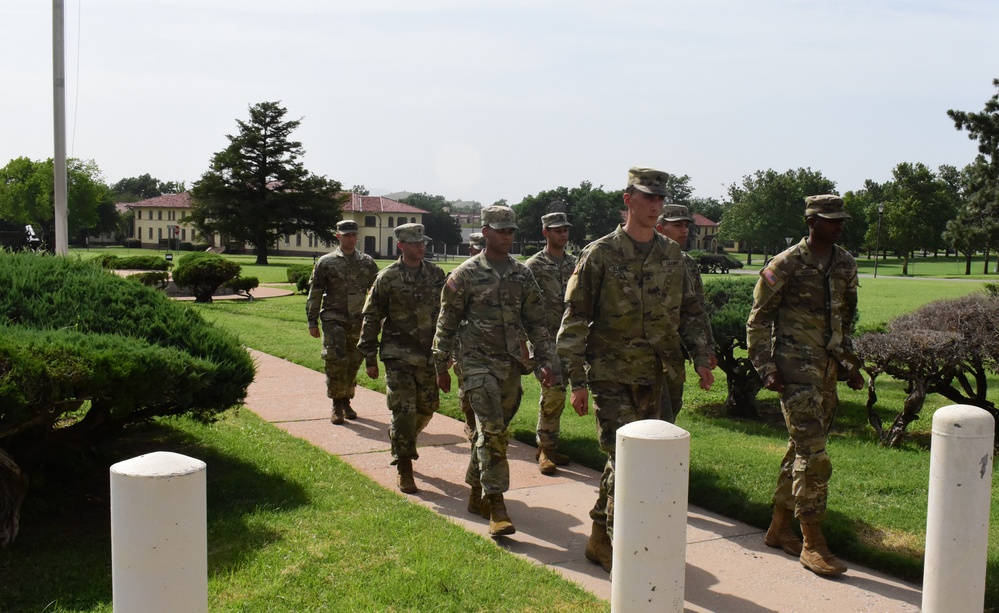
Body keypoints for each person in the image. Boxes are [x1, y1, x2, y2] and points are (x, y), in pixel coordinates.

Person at [558, 167, 714, 572]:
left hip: (660, 375)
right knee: (623, 458)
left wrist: (701, 358)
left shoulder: (674, 255)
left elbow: (693, 312)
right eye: (648, 198)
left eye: (660, 199)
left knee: (644, 463)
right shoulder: (600, 254)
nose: (655, 206)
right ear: (628, 199)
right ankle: (617, 545)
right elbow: (575, 320)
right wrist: (575, 382)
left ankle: (598, 533)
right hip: (611, 375)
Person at [746, 194, 864, 577]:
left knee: (800, 448)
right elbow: (759, 320)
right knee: (814, 456)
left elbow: (844, 318)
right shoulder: (785, 264)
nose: (839, 225)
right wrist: (765, 366)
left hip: (827, 372)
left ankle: (779, 529)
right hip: (793, 371)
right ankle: (813, 543)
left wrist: (849, 364)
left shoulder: (845, 263)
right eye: (831, 219)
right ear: (812, 222)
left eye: (841, 219)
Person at [433, 205, 556, 536]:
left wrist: (545, 360)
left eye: (511, 230)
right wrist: (441, 365)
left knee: (493, 433)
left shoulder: (522, 274)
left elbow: (536, 321)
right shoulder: (465, 275)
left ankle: (475, 491)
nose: (507, 235)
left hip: (510, 367)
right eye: (501, 230)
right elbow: (446, 323)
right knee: (492, 430)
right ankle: (497, 505)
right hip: (475, 365)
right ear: (484, 231)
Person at [358, 223, 446, 494]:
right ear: (401, 246)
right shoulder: (387, 277)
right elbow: (372, 316)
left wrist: (446, 352)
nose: (421, 247)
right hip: (398, 354)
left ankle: (400, 438)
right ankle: (404, 466)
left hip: (428, 355)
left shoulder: (436, 274)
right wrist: (369, 356)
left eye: (423, 243)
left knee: (428, 407)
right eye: (415, 243)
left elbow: (447, 316)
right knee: (403, 411)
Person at [306, 219, 380, 425]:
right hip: (333, 318)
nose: (351, 238)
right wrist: (312, 321)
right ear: (337, 236)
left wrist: (376, 318)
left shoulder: (366, 262)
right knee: (335, 361)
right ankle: (337, 404)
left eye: (354, 235)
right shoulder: (326, 262)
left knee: (353, 362)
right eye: (346, 235)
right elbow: (315, 293)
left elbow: (376, 293)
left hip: (358, 320)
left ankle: (346, 400)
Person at [655, 204, 717, 423]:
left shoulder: (687, 263)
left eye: (686, 225)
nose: (684, 231)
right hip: (645, 353)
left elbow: (697, 308)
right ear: (660, 227)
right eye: (677, 225)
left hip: (676, 350)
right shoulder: (645, 260)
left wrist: (707, 347)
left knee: (671, 410)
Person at [525, 212, 576, 475]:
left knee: (568, 391)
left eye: (565, 230)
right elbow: (523, 305)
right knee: (553, 391)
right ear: (545, 233)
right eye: (557, 230)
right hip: (545, 339)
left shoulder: (576, 264)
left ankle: (549, 444)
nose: (563, 234)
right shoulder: (533, 266)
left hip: (572, 338)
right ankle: (545, 447)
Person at [455, 232, 486, 441]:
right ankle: (470, 421)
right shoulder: (461, 275)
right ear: (470, 249)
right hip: (465, 339)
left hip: (491, 339)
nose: (482, 251)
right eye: (477, 248)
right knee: (466, 384)